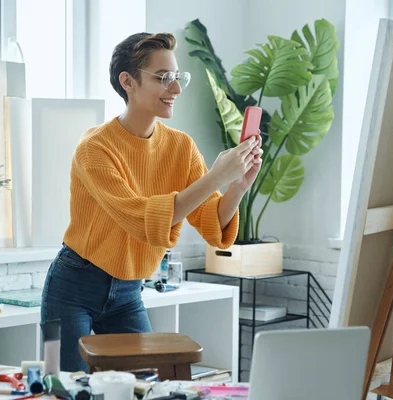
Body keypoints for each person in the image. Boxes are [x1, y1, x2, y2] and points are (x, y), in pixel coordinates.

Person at [40, 31, 263, 373]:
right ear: (127, 81)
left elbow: (210, 222)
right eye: (163, 78)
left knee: (145, 385)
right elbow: (142, 221)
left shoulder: (180, 147)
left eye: (177, 77)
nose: (176, 89)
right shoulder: (94, 149)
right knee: (68, 388)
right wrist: (216, 177)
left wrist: (236, 186)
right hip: (73, 287)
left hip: (128, 292)